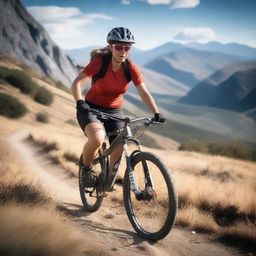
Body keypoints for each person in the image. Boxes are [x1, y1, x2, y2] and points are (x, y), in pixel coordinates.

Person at [71, 27, 165, 189]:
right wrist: (80, 101)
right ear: (110, 48)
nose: (123, 51)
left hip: (114, 112)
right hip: (90, 109)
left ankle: (106, 179)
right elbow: (77, 83)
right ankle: (86, 170)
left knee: (121, 144)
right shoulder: (100, 63)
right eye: (118, 47)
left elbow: (144, 93)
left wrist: (156, 112)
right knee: (97, 138)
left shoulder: (130, 68)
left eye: (127, 47)